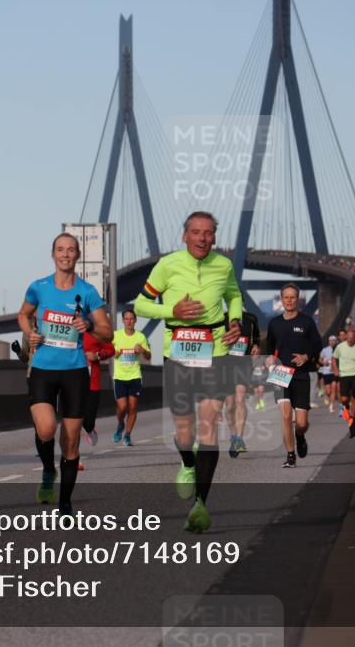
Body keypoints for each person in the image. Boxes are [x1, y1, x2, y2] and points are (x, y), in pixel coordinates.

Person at [134, 211, 242, 534]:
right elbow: (141, 304)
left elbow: (233, 296)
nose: (202, 238)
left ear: (214, 237)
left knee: (209, 424)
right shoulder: (167, 265)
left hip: (215, 350)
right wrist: (172, 310)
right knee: (185, 430)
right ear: (184, 236)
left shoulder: (224, 266)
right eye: (195, 232)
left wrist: (234, 321)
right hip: (177, 351)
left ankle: (200, 506)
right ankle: (187, 462)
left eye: (208, 233)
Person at [18, 233, 112, 516]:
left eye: (71, 250)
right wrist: (30, 333)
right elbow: (23, 314)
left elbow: (107, 333)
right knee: (46, 428)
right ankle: (48, 470)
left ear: (78, 255)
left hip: (74, 373)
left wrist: (89, 326)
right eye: (60, 249)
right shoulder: (39, 287)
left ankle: (65, 504)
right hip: (43, 370)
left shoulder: (88, 292)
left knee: (70, 440)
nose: (65, 254)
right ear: (53, 254)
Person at [265, 284, 323, 469]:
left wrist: (306, 356)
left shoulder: (307, 322)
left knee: (301, 423)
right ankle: (290, 455)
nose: (289, 300)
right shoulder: (274, 323)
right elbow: (270, 348)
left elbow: (317, 345)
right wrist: (269, 359)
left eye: (292, 297)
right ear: (281, 300)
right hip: (281, 373)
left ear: (297, 300)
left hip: (301, 375)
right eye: (286, 297)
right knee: (286, 416)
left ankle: (300, 435)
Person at [223, 309, 260, 458]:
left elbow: (256, 338)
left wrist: (257, 346)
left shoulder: (251, 318)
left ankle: (239, 438)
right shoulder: (221, 317)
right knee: (230, 406)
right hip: (225, 365)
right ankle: (233, 436)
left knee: (240, 400)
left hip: (243, 364)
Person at [112, 308, 150, 446]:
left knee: (133, 407)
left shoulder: (140, 337)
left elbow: (148, 356)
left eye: (131, 319)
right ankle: (120, 424)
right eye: (126, 319)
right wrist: (114, 353)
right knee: (122, 407)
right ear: (122, 320)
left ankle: (127, 435)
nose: (129, 321)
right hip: (120, 376)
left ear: (135, 321)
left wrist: (143, 350)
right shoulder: (116, 335)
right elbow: (109, 350)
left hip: (135, 376)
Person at [82, 321, 115, 449]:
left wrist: (97, 355)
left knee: (88, 420)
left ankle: (90, 429)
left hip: (92, 382)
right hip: (72, 380)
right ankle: (73, 458)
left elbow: (110, 349)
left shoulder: (93, 331)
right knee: (73, 420)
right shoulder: (68, 331)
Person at [332, 327, 355, 424]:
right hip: (344, 375)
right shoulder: (340, 347)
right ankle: (346, 407)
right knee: (344, 398)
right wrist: (336, 370)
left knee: (354, 397)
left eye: (352, 338)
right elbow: (334, 358)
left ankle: (352, 416)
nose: (350, 340)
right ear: (346, 337)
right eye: (349, 338)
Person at [318, 335, 338, 412]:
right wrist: (323, 362)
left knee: (333, 389)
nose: (332, 342)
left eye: (334, 340)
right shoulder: (325, 350)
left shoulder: (337, 349)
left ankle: (331, 406)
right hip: (326, 372)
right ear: (329, 341)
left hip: (334, 372)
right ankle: (327, 396)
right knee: (328, 391)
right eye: (331, 340)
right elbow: (320, 359)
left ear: (336, 341)